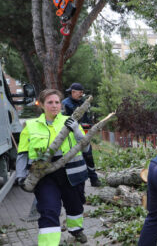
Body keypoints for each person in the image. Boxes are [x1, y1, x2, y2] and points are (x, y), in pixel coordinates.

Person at [17, 89, 89, 245]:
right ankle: (49, 243)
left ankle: (76, 231)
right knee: (48, 210)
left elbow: (86, 148)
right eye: (50, 102)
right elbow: (22, 154)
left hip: (72, 173)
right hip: (44, 176)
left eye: (57, 102)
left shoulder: (71, 121)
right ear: (41, 105)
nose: (54, 105)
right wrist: (20, 175)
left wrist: (77, 130)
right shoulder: (30, 126)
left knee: (75, 206)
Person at [62, 82, 101, 187]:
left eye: (83, 93)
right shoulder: (65, 104)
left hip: (83, 135)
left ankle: (94, 179)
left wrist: (91, 125)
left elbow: (85, 118)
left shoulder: (82, 103)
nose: (82, 94)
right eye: (80, 92)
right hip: (71, 137)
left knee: (89, 156)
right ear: (73, 92)